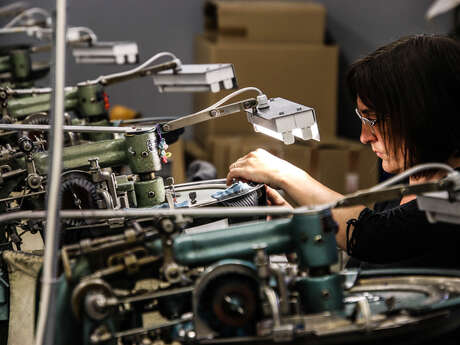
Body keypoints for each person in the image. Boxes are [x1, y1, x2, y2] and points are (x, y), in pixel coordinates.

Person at [226, 34, 460, 269]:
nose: (364, 137)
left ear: (421, 116)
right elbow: (366, 262)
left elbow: (376, 238)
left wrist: (286, 175)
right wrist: (298, 231)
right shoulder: (402, 187)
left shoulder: (454, 198)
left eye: (373, 119)